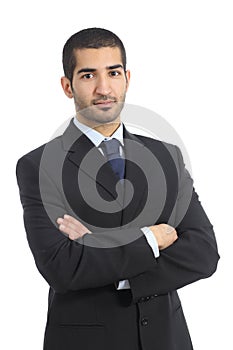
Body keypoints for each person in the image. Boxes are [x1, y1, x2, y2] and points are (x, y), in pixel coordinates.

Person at [16, 28, 220, 350]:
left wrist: (96, 247)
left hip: (167, 339)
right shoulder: (38, 165)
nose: (103, 88)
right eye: (88, 75)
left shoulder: (166, 157)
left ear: (127, 78)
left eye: (113, 73)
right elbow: (62, 268)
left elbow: (204, 253)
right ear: (67, 86)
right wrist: (152, 239)